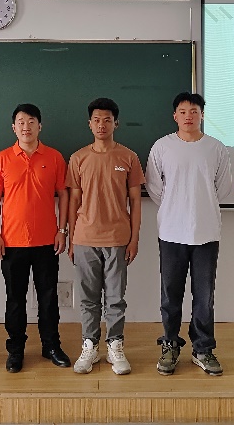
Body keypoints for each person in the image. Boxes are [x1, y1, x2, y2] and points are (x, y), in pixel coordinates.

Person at [145, 92, 232, 376]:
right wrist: (176, 206)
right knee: (170, 296)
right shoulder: (162, 146)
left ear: (202, 115)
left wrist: (199, 205)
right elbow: (154, 187)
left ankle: (202, 349)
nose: (188, 116)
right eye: (183, 111)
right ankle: (170, 344)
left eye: (194, 111)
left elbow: (222, 188)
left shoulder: (215, 148)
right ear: (175, 116)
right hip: (171, 231)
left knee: (204, 296)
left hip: (206, 232)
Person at [0, 103, 71, 373]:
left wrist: (62, 230)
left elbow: (64, 195)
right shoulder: (2, 158)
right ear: (14, 127)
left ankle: (51, 346)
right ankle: (16, 350)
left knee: (48, 297)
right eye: (21, 122)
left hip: (47, 241)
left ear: (40, 126)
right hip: (12, 242)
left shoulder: (54, 157)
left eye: (31, 121)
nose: (26, 126)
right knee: (15, 299)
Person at [67, 98, 144, 375]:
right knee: (88, 299)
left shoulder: (128, 157)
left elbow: (136, 202)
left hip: (118, 238)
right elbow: (74, 200)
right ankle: (90, 345)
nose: (102, 125)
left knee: (115, 298)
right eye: (97, 120)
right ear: (90, 124)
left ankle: (115, 346)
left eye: (107, 120)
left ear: (116, 123)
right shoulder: (78, 158)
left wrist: (134, 239)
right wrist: (71, 237)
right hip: (85, 238)